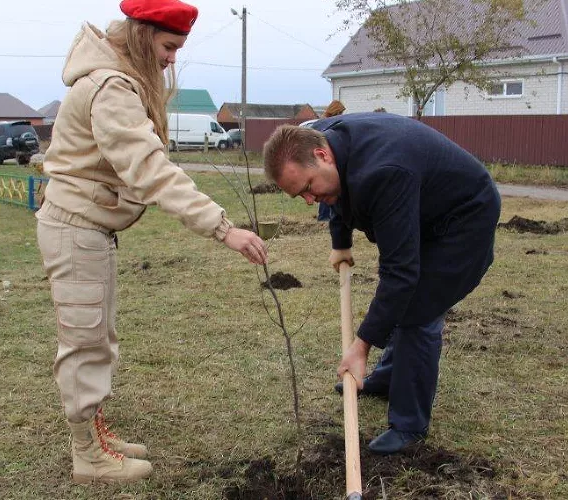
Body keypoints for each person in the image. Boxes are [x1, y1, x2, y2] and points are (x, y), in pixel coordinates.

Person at [36, 0, 267, 485]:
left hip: (88, 227)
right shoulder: (111, 87)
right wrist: (222, 227)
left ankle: (93, 432)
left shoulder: (115, 76)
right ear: (143, 36)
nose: (171, 59)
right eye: (167, 47)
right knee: (84, 339)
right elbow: (149, 168)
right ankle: (88, 455)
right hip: (76, 228)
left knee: (97, 335)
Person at [263, 113, 500, 454]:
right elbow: (334, 193)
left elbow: (400, 274)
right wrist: (340, 242)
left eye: (308, 188)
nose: (309, 201)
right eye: (298, 195)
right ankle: (389, 377)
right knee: (405, 301)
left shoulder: (384, 172)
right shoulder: (319, 139)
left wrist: (361, 347)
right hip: (423, 205)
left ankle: (408, 426)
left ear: (321, 155)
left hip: (465, 218)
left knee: (419, 308)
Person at [315, 99, 345, 222]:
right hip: (324, 161)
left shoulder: (324, 122)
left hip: (325, 160)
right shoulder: (326, 124)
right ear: (335, 111)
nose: (342, 115)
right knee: (326, 190)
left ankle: (327, 216)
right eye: (340, 112)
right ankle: (324, 217)